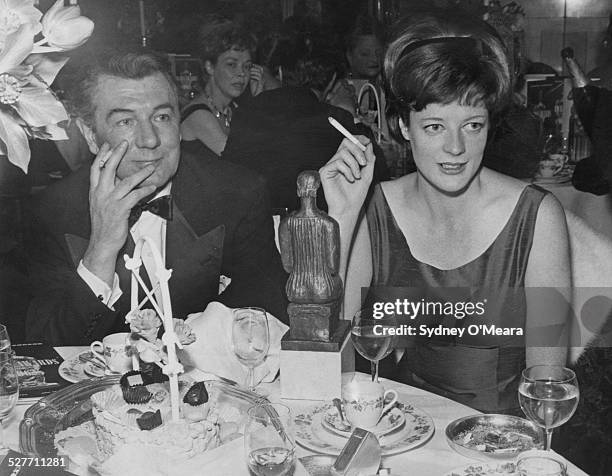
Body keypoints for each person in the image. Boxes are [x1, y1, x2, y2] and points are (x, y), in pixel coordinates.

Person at [319, 11, 571, 413]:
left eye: (473, 125)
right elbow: (331, 363)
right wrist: (344, 218)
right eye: (435, 126)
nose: (456, 148)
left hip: (496, 453)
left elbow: (546, 389)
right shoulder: (373, 210)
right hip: (392, 443)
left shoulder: (538, 218)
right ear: (403, 125)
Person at [26, 50, 288, 346]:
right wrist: (101, 249)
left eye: (162, 117)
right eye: (126, 122)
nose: (149, 139)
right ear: (90, 134)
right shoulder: (54, 210)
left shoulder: (237, 193)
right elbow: (48, 348)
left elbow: (267, 318)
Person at [180, 18, 264, 156]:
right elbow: (246, 160)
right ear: (210, 67)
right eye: (231, 64)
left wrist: (257, 100)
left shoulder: (232, 111)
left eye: (247, 66)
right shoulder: (198, 115)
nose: (242, 73)